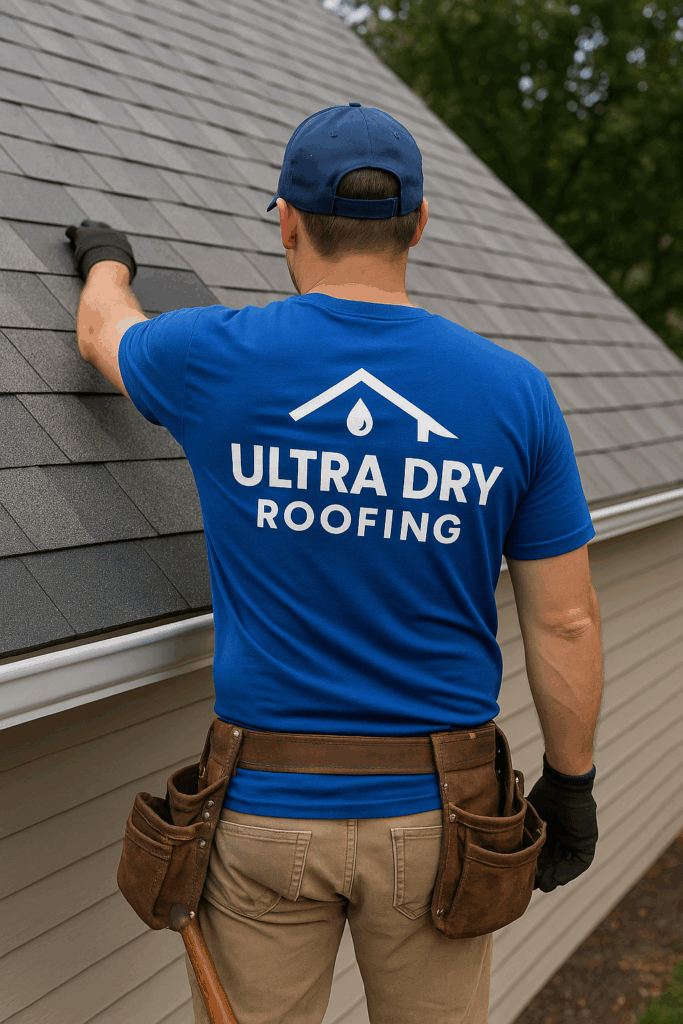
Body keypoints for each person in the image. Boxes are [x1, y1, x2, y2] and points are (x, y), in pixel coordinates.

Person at [67, 102, 602, 1024]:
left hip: (268, 813)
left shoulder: (213, 358)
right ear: (420, 223)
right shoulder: (514, 394)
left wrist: (105, 258)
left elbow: (101, 332)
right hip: (443, 823)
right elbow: (564, 619)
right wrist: (572, 785)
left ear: (287, 219)